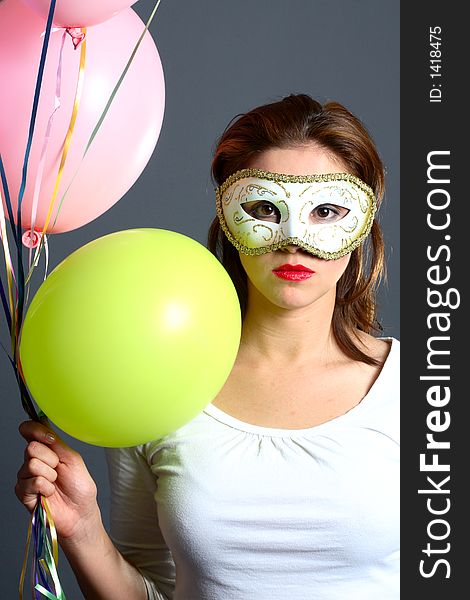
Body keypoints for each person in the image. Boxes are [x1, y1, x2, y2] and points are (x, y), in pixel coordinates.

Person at [16, 94, 399, 599]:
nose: (294, 241)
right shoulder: (158, 383)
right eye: (263, 209)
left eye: (327, 211)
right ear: (227, 219)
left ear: (363, 226)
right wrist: (83, 529)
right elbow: (148, 590)